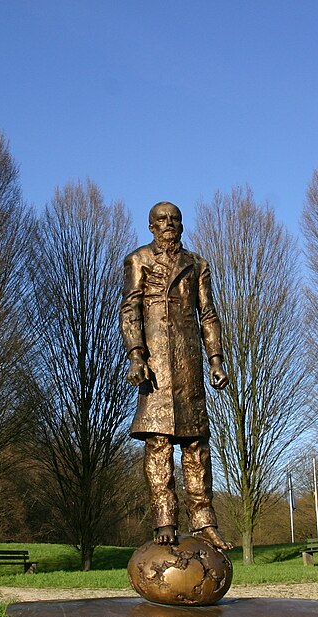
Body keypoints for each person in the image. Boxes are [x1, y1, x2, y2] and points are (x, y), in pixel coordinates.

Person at [119, 201, 233, 550]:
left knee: (196, 445)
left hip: (188, 366)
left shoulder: (197, 264)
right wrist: (136, 356)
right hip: (154, 367)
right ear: (151, 226)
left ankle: (204, 523)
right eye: (162, 220)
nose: (169, 224)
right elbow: (129, 310)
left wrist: (216, 360)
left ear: (182, 225)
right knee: (159, 444)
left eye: (174, 219)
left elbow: (208, 314)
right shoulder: (138, 260)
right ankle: (164, 521)